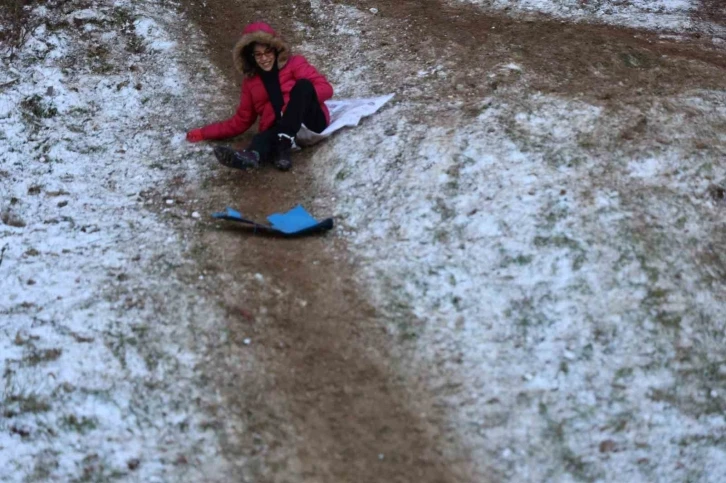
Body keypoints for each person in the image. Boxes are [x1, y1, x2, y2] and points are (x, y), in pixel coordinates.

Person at [185, 22, 334, 171]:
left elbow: (325, 88)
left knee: (303, 85)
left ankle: (283, 145)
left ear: (276, 50)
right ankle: (250, 156)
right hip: (279, 128)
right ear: (251, 57)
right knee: (262, 138)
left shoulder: (295, 63)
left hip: (310, 120)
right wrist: (204, 132)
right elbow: (241, 120)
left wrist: (291, 106)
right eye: (258, 54)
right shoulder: (250, 83)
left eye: (268, 52)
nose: (264, 58)